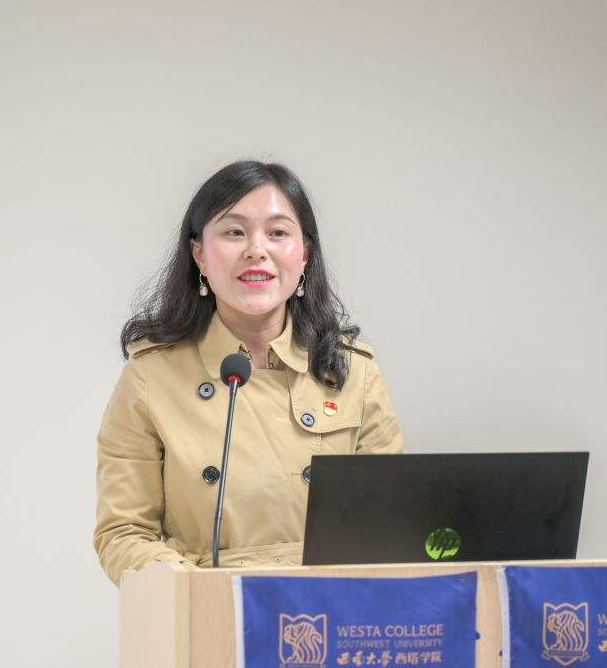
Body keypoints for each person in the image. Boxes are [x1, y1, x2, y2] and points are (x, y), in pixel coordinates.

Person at [94, 160, 403, 586]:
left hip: (329, 602)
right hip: (209, 603)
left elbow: (388, 521)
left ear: (304, 256)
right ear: (199, 255)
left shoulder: (353, 372)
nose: (257, 249)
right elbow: (124, 532)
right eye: (234, 232)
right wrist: (195, 590)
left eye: (278, 233)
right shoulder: (151, 376)